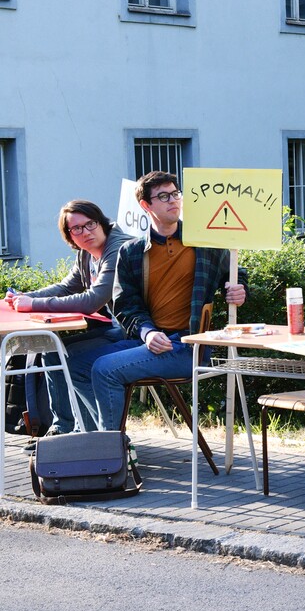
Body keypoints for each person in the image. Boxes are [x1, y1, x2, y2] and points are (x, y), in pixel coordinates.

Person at [70, 172, 248, 432]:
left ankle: (109, 448)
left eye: (175, 194)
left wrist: (237, 289)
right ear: (146, 205)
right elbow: (125, 304)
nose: (173, 201)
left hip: (188, 346)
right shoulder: (131, 251)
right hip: (150, 342)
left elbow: (233, 272)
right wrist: (147, 331)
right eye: (163, 196)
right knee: (76, 364)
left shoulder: (205, 242)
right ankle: (93, 438)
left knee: (105, 369)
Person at [5, 201, 131, 434]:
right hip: (115, 327)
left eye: (90, 224)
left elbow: (93, 299)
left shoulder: (119, 249)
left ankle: (95, 435)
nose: (86, 232)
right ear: (70, 236)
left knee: (71, 359)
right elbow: (66, 287)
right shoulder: (86, 253)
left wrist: (32, 304)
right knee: (52, 351)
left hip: (135, 332)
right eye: (77, 229)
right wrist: (24, 297)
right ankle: (64, 427)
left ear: (101, 222)